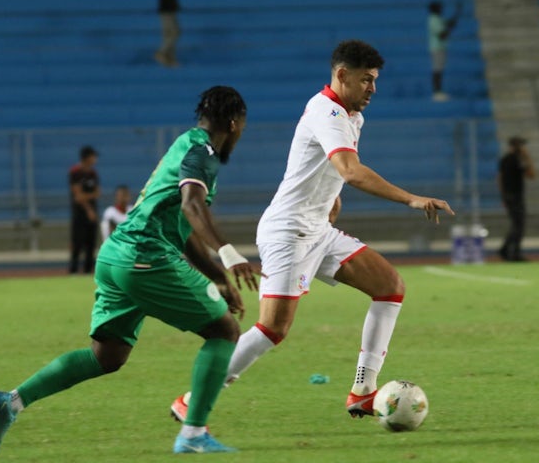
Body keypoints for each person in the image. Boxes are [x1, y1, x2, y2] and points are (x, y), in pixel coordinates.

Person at [170, 40, 454, 423]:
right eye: (366, 80)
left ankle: (363, 391)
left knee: (390, 287)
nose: (373, 88)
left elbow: (332, 169)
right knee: (272, 328)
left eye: (375, 80)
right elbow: (351, 171)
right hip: (288, 232)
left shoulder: (352, 116)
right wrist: (411, 199)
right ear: (342, 75)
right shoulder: (327, 110)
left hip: (317, 229)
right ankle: (193, 399)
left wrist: (330, 199)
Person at [0, 86, 261, 455]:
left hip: (115, 255)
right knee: (224, 330)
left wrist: (216, 277)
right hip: (145, 257)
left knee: (107, 356)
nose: (240, 134)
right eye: (241, 127)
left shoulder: (185, 143)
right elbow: (193, 207)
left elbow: (184, 222)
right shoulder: (203, 153)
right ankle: (193, 434)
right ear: (234, 122)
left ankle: (11, 402)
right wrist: (229, 253)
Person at [497, 136, 536, 262]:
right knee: (519, 225)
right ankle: (513, 252)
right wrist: (527, 157)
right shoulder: (518, 160)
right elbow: (531, 174)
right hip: (516, 196)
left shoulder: (504, 159)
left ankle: (505, 249)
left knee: (516, 224)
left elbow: (500, 179)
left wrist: (503, 196)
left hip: (508, 196)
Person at [69, 145, 100, 274]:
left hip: (92, 214)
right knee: (77, 244)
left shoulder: (93, 173)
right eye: (93, 156)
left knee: (91, 244)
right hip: (80, 214)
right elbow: (77, 196)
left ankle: (88, 271)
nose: (95, 159)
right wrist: (89, 210)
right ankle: (74, 271)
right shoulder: (75, 172)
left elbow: (97, 192)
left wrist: (85, 196)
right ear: (87, 157)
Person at [427, 1, 461, 102]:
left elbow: (450, 23)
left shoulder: (438, 19)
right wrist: (448, 30)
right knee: (437, 70)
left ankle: (438, 91)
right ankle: (436, 92)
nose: (441, 9)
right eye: (439, 7)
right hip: (437, 48)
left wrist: (457, 12)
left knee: (439, 69)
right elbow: (442, 35)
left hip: (440, 48)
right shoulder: (433, 20)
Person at [155, 0, 181, 67]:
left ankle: (169, 58)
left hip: (167, 11)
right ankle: (161, 53)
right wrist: (175, 6)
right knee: (174, 33)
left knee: (169, 34)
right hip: (167, 12)